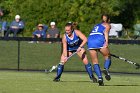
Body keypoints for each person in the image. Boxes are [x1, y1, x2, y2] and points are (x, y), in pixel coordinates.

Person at [87, 14, 111, 86]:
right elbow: (106, 32)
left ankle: (100, 78)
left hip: (90, 41)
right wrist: (106, 42)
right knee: (108, 56)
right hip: (99, 40)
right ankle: (106, 69)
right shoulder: (107, 25)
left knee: (95, 62)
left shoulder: (96, 25)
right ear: (108, 20)